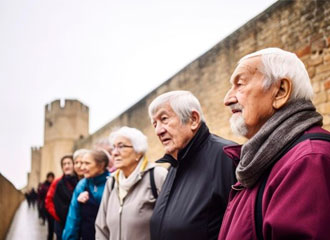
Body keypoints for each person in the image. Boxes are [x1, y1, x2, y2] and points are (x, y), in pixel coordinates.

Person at [218, 48, 330, 240]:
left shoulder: (308, 160)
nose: (227, 99)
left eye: (240, 84)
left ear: (280, 91)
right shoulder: (260, 160)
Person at [148, 90, 236, 240]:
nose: (158, 131)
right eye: (155, 124)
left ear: (193, 119)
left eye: (164, 119)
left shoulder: (227, 157)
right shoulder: (173, 166)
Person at [95, 127, 168, 240]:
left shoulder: (157, 176)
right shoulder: (112, 182)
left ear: (138, 153)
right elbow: (101, 228)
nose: (114, 153)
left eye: (121, 146)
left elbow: (172, 224)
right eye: (113, 147)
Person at [62, 149, 110, 240]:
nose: (82, 167)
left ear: (101, 165)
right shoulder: (82, 185)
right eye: (81, 163)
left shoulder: (113, 183)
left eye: (87, 163)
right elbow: (73, 218)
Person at [45, 155, 78, 240]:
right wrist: (56, 215)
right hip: (61, 222)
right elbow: (48, 200)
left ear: (73, 165)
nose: (66, 166)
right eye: (64, 164)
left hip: (75, 221)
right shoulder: (57, 182)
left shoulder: (79, 180)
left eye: (69, 163)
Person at [39, 172, 55, 240]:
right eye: (49, 177)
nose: (50, 179)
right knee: (50, 225)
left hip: (54, 207)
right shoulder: (43, 186)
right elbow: (40, 195)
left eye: (52, 177)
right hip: (46, 207)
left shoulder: (55, 184)